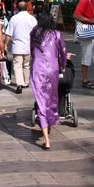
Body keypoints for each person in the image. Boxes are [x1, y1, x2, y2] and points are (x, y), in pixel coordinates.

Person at [30, 13, 68, 150]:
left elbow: (32, 51)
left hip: (38, 69)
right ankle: (49, 124)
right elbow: (63, 51)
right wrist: (63, 65)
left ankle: (46, 139)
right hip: (52, 69)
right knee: (52, 98)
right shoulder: (56, 34)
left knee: (41, 100)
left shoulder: (34, 34)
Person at [4, 1, 37, 94]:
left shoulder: (14, 19)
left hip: (17, 46)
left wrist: (5, 44)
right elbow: (37, 34)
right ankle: (26, 82)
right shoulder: (32, 19)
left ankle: (19, 84)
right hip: (29, 46)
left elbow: (8, 34)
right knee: (26, 65)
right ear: (27, 8)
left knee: (17, 65)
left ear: (17, 9)